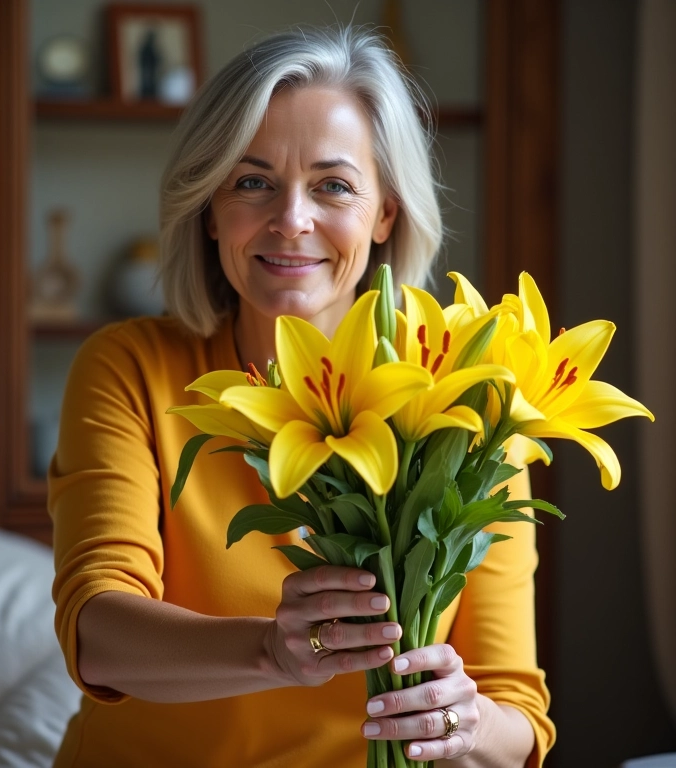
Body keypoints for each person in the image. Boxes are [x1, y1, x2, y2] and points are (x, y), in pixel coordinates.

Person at [49, 25, 555, 768]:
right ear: (211, 208)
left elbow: (519, 721)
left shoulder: (468, 404)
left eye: (334, 185)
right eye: (252, 181)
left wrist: (466, 725)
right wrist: (270, 651)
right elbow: (97, 636)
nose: (292, 219)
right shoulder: (131, 369)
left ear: (385, 214)